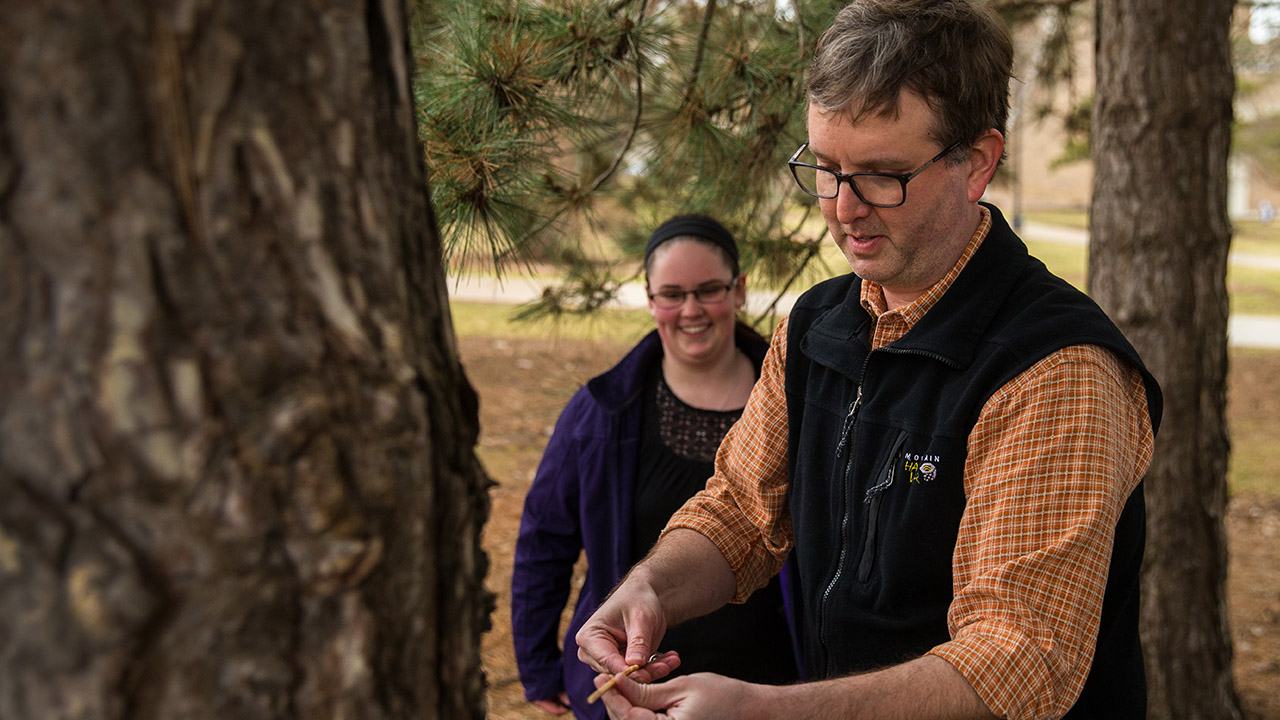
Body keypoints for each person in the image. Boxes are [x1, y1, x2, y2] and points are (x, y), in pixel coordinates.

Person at [575, 2, 1164, 719]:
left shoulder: (1055, 367)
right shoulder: (818, 323)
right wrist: (650, 589)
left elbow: (1018, 656)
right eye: (825, 168)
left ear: (976, 162)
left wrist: (768, 712)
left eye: (882, 175)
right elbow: (739, 511)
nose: (843, 209)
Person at [510, 215, 801, 719]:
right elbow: (544, 541)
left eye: (709, 290)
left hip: (771, 688)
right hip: (633, 688)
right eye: (672, 294)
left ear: (739, 291)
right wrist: (537, 665)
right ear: (649, 300)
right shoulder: (601, 412)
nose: (691, 310)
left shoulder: (795, 403)